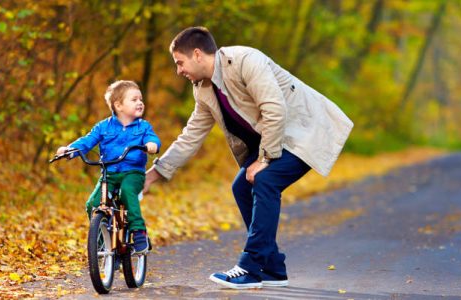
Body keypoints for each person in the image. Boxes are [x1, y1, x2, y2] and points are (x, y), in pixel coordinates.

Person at [143, 27, 353, 289]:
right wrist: (155, 174)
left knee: (264, 180)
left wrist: (263, 159)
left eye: (180, 63)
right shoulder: (203, 89)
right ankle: (273, 268)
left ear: (197, 54)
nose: (179, 71)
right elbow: (191, 136)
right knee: (241, 186)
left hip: (303, 131)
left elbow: (274, 108)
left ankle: (250, 267)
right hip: (275, 138)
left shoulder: (244, 60)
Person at [56, 80, 160, 254]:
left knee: (127, 191)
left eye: (140, 99)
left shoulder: (143, 127)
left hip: (133, 173)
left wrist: (151, 145)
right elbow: (87, 141)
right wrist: (70, 150)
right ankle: (102, 236)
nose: (140, 102)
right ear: (118, 105)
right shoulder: (103, 127)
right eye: (134, 99)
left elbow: (153, 139)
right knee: (93, 204)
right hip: (109, 173)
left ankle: (138, 231)